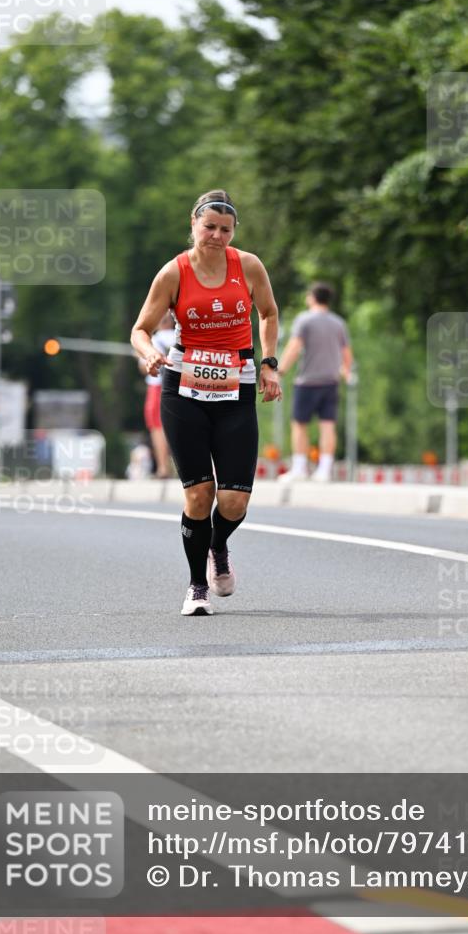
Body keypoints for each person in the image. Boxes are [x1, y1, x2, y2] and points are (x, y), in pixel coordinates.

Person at [131, 189, 282, 616]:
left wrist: (269, 363)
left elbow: (268, 313)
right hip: (183, 390)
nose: (216, 235)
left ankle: (218, 546)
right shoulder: (173, 273)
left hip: (236, 389)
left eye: (225, 229)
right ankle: (197, 587)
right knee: (199, 496)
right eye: (209, 227)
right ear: (193, 226)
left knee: (234, 502)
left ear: (233, 233)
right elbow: (140, 329)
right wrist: (149, 353)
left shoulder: (248, 266)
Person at [278, 282, 352, 482]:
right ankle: (324, 470)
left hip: (307, 381)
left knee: (300, 425)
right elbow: (346, 353)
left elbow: (294, 347)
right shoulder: (338, 323)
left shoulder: (304, 320)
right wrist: (346, 371)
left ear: (312, 297)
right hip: (331, 381)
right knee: (328, 425)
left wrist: (280, 370)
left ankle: (300, 467)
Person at [137, 311, 176, 478]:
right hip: (180, 386)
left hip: (158, 387)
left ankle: (163, 467)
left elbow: (144, 367)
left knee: (158, 428)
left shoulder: (152, 340)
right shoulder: (182, 337)